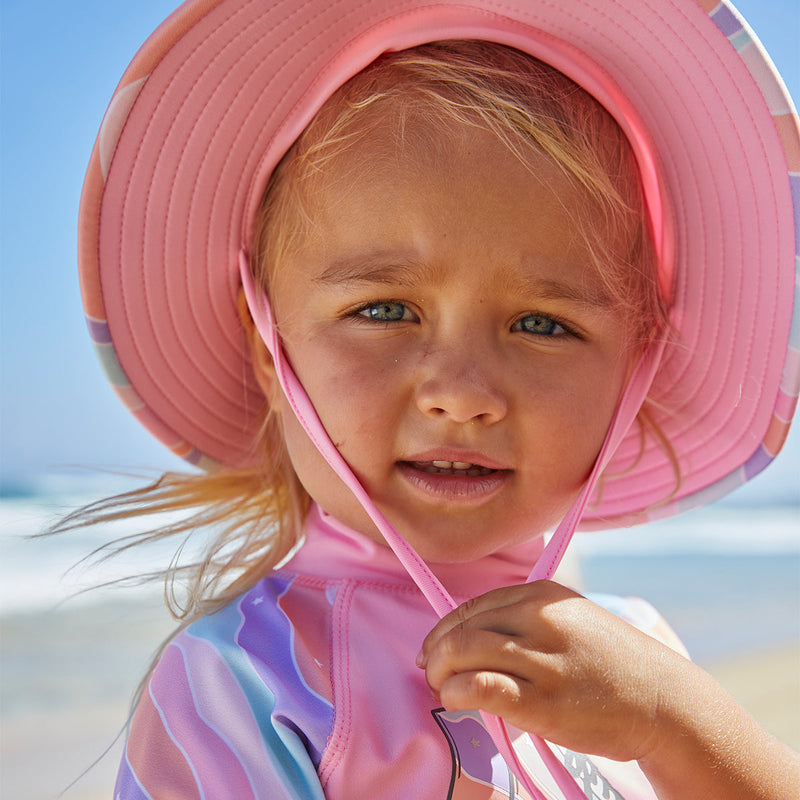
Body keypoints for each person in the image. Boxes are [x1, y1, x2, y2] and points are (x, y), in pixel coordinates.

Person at [71, 0, 799, 797]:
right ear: (267, 341)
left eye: (541, 323)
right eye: (383, 311)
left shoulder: (638, 653)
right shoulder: (243, 679)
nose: (462, 395)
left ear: (637, 362)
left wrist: (678, 722)